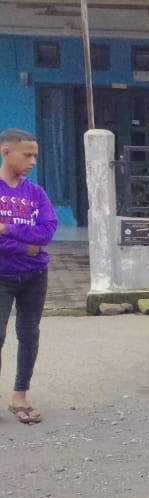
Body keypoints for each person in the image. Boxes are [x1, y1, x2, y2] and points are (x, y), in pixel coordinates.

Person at [0, 129, 57, 425]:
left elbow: (47, 232)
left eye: (35, 154)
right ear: (6, 152)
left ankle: (19, 395)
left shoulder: (36, 193)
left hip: (35, 275)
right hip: (2, 275)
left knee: (29, 333)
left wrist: (8, 229)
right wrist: (28, 246)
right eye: (27, 154)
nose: (33, 160)